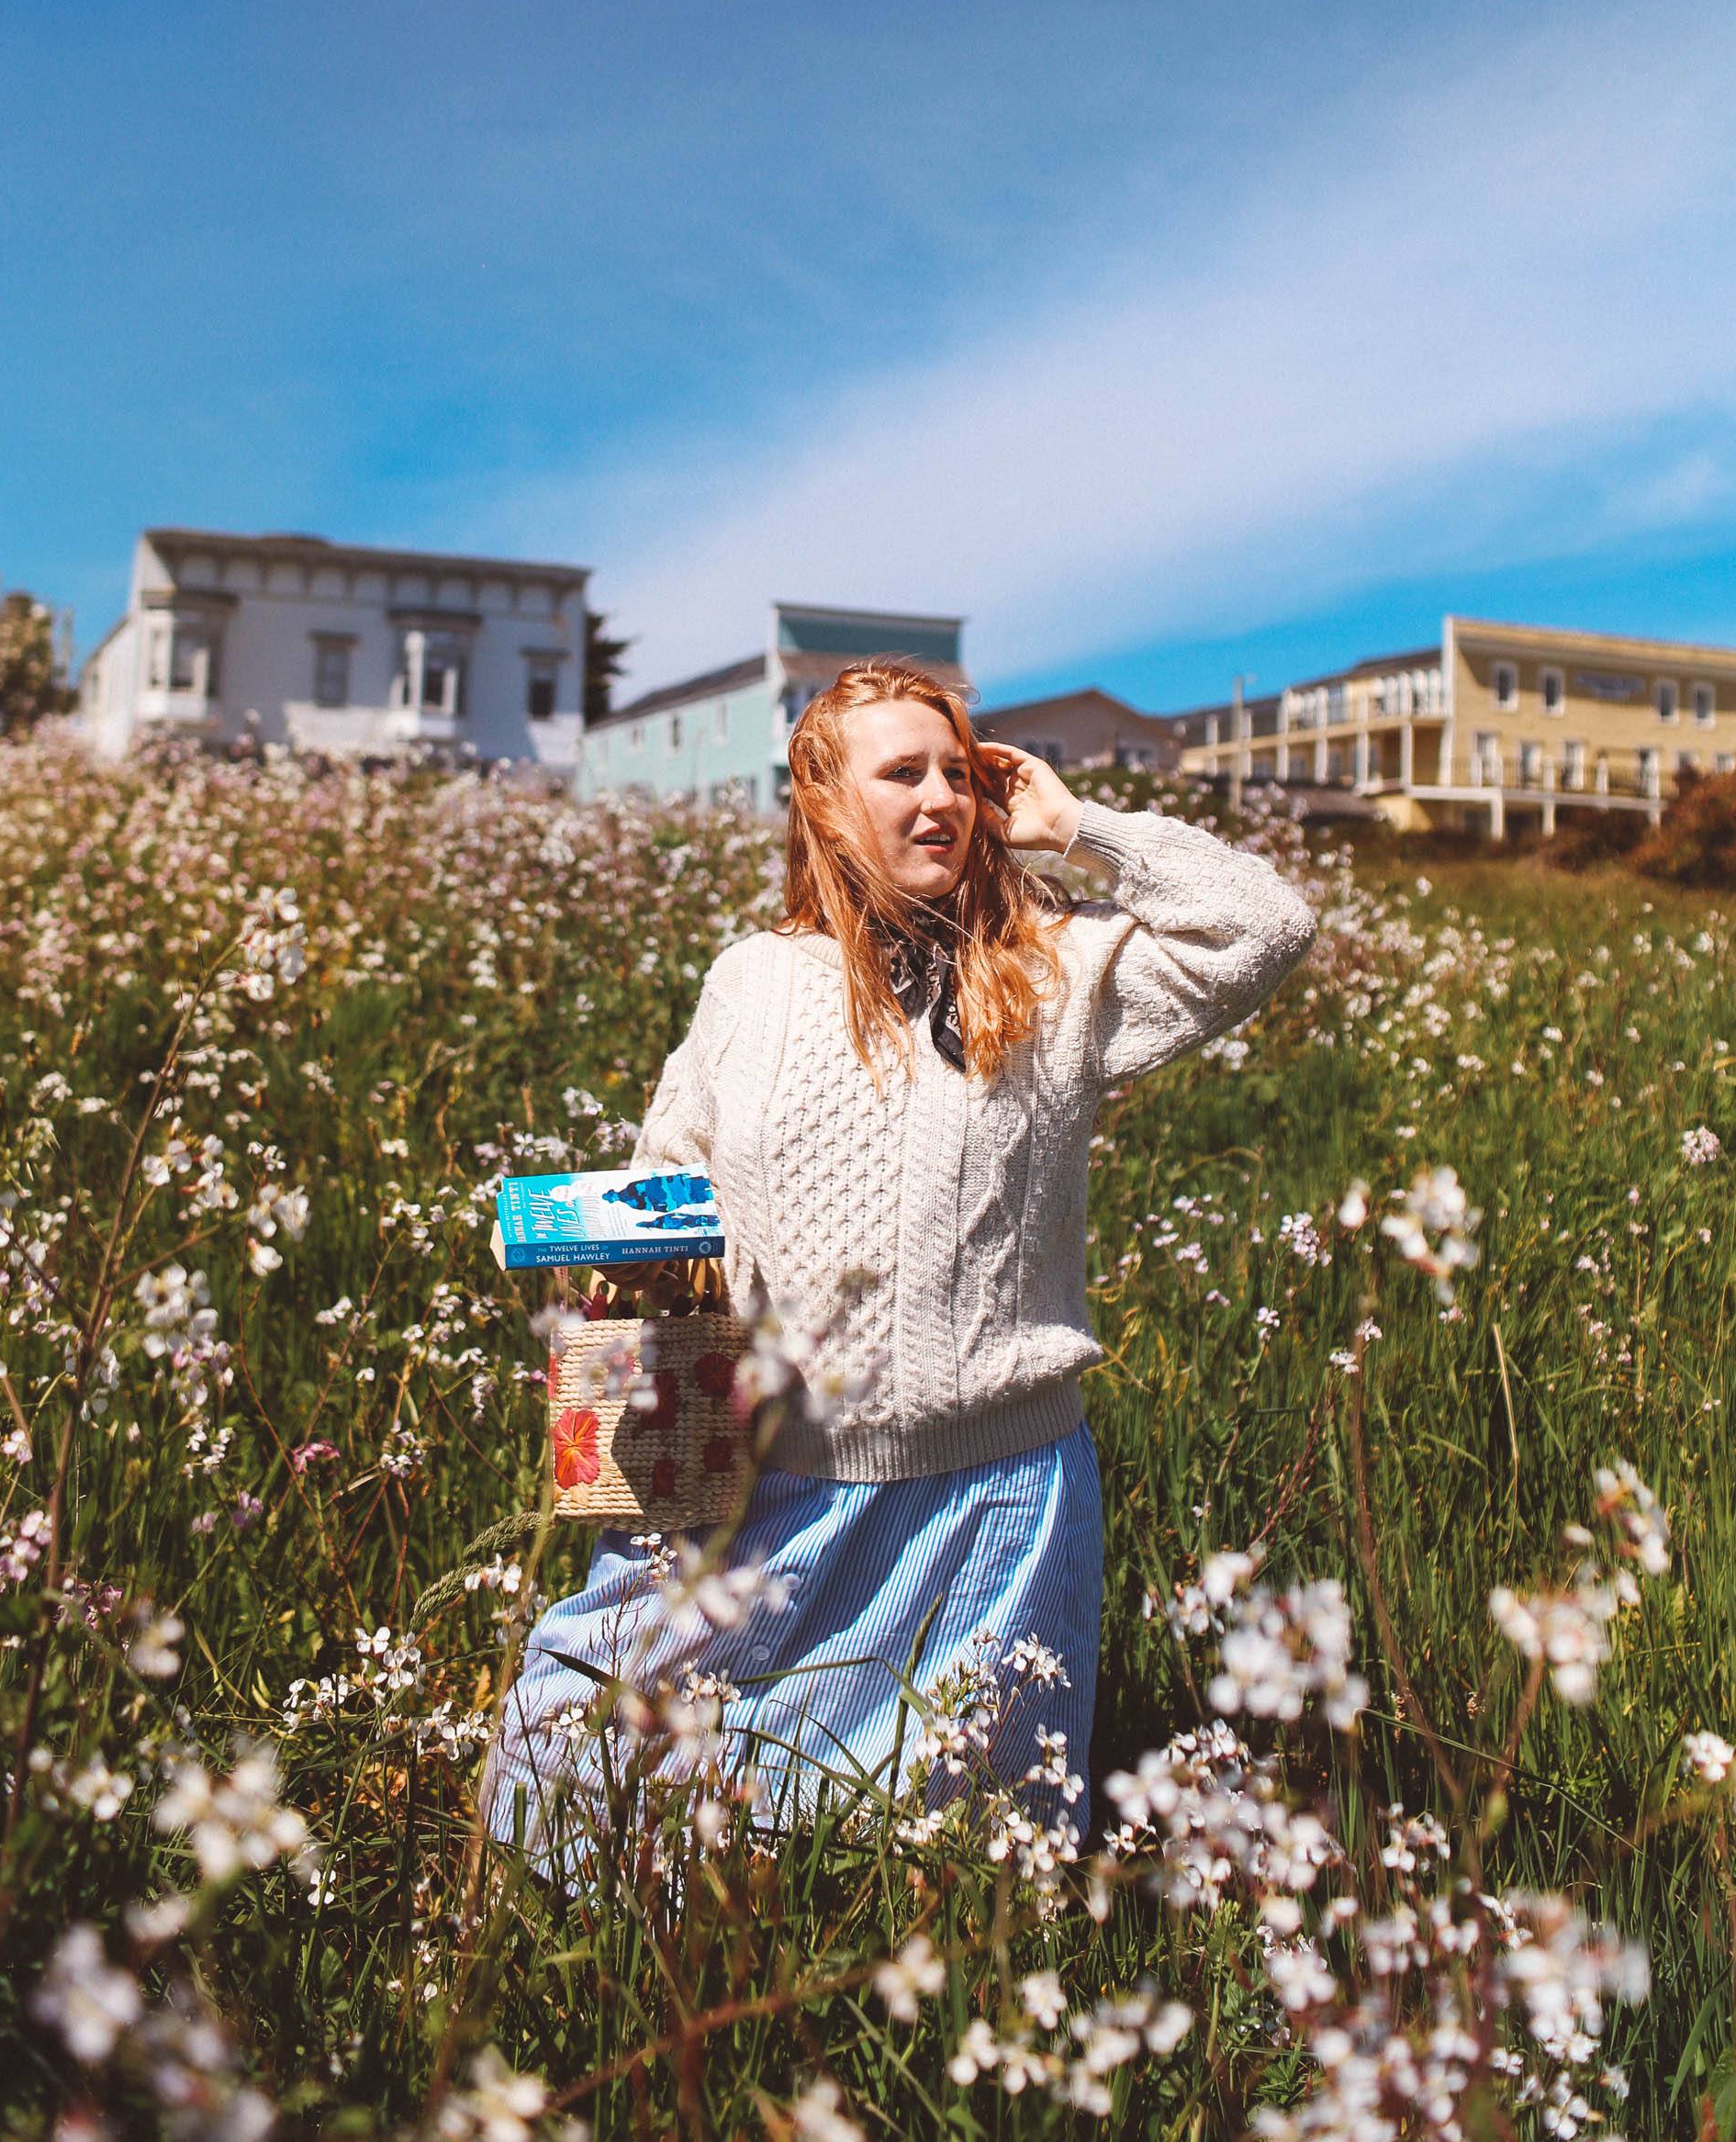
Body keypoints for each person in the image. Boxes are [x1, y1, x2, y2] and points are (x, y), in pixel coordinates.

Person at [487, 656, 1316, 1856]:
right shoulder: (750, 984)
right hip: (774, 1496)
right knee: (563, 1771)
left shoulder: (1056, 968)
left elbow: (1268, 929)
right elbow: (661, 1213)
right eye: (902, 773)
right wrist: (629, 1474)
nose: (940, 799)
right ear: (824, 803)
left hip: (996, 1505)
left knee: (952, 1859)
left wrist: (1079, 827)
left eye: (958, 774)